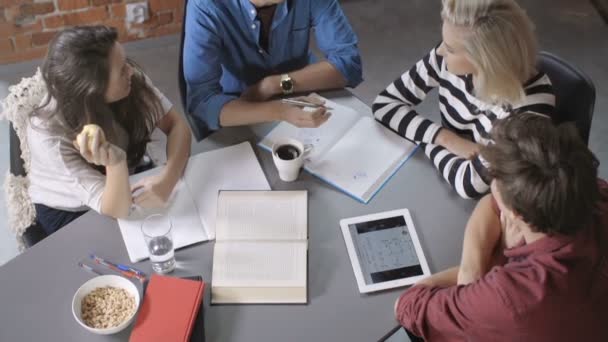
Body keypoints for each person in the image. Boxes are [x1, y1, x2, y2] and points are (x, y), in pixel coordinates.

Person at [394, 113, 608, 341]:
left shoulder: (508, 297)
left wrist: (496, 259)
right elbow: (493, 203)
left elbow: (408, 304)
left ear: (515, 214)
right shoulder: (587, 191)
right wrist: (470, 269)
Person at [372, 0, 555, 199]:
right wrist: (445, 139)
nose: (440, 51)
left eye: (450, 49)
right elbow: (385, 104)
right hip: (442, 176)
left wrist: (421, 138)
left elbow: (469, 184)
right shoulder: (448, 57)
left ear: (484, 59)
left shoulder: (527, 114)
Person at [27, 26, 192, 235]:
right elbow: (117, 209)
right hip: (72, 208)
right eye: (121, 69)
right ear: (92, 89)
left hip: (126, 176)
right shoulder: (49, 137)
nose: (130, 71)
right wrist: (115, 162)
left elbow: (177, 126)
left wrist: (169, 178)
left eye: (125, 62)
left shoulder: (130, 81)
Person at [183, 0, 363, 138]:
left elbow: (349, 65)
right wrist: (279, 111)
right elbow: (202, 102)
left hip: (298, 93)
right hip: (237, 105)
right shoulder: (205, 5)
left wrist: (273, 85)